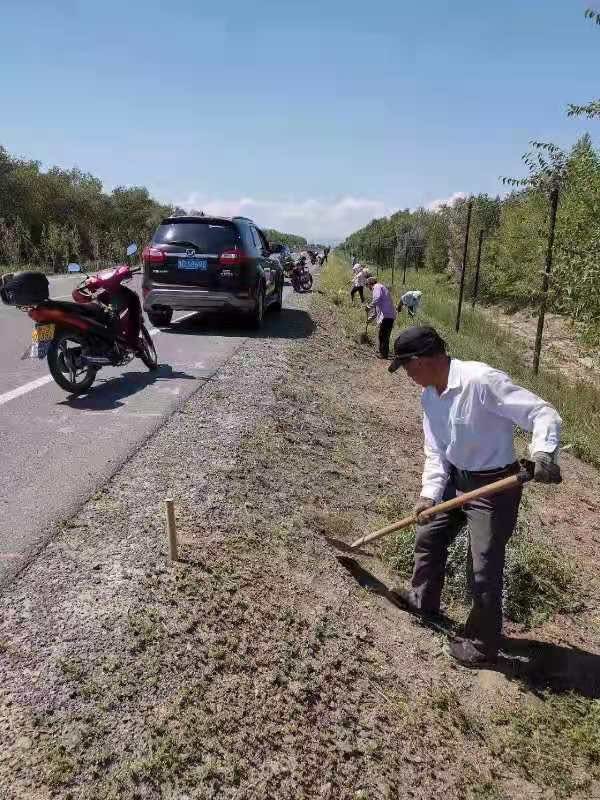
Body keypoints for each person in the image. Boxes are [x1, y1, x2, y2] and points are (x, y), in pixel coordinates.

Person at [387, 326, 562, 667]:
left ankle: (482, 645)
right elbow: (436, 451)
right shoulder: (429, 397)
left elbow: (542, 413)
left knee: (482, 567)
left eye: (407, 367)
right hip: (456, 478)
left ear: (422, 360)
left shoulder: (480, 381)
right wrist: (429, 494)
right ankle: (423, 601)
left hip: (494, 488)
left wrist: (543, 453)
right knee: (429, 536)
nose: (407, 374)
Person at [366, 277, 397, 359]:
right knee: (385, 336)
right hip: (389, 315)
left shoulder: (376, 287)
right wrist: (371, 318)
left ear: (370, 283)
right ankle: (384, 354)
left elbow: (377, 299)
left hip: (386, 316)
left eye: (367, 285)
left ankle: (383, 355)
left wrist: (369, 306)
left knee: (382, 335)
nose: (367, 287)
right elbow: (378, 307)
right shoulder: (381, 288)